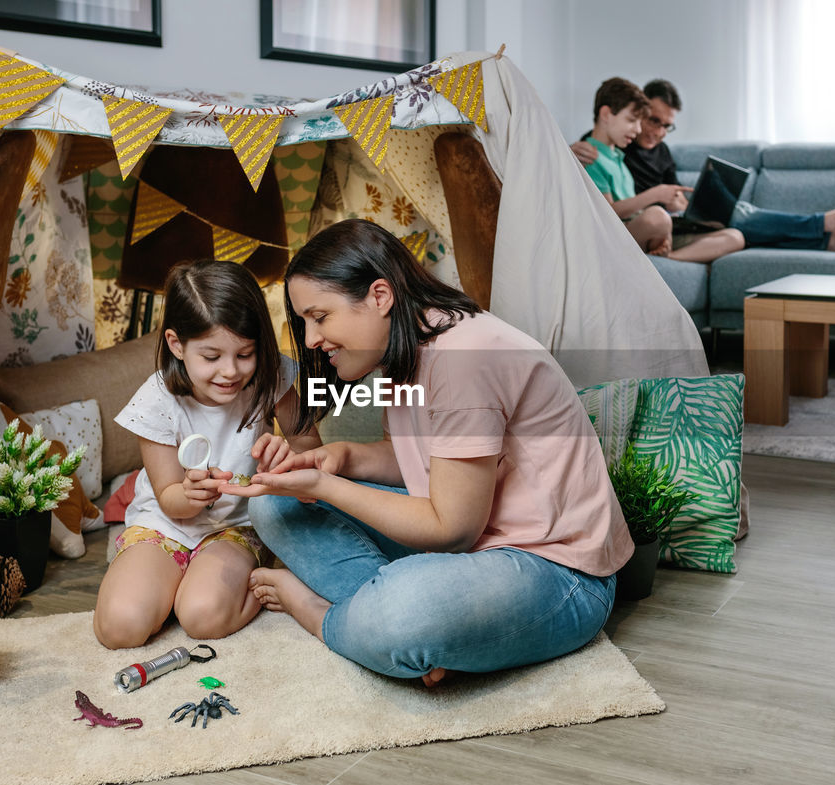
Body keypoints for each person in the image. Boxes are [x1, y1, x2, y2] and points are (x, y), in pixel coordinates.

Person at [223, 219, 633, 687]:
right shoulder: (405, 351)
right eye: (304, 323)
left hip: (558, 573)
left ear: (379, 296)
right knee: (274, 505)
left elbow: (452, 529)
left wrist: (327, 486)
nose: (312, 338)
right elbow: (423, 463)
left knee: (407, 609)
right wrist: (340, 459)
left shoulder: (467, 358)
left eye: (319, 316)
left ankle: (329, 617)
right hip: (475, 550)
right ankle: (418, 635)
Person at [93, 259, 322, 649]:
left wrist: (286, 456)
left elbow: (315, 459)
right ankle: (170, 585)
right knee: (120, 628)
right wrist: (191, 493)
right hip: (166, 522)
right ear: (176, 344)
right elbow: (170, 498)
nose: (231, 372)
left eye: (245, 353)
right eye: (212, 357)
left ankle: (266, 579)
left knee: (202, 617)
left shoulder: (270, 379)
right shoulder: (157, 400)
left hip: (235, 527)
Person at [573, 78, 835, 255]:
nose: (650, 131)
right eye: (649, 120)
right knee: (739, 214)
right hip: (649, 221)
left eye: (666, 126)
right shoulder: (603, 150)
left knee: (733, 220)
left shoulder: (656, 151)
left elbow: (675, 194)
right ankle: (825, 226)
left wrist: (678, 200)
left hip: (674, 216)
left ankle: (830, 238)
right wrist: (568, 150)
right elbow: (583, 165)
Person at [581, 77, 745, 263]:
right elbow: (607, 213)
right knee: (657, 216)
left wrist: (668, 224)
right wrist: (655, 196)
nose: (637, 129)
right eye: (633, 120)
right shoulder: (590, 155)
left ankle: (669, 256)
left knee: (735, 235)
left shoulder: (619, 156)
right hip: (623, 233)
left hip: (659, 224)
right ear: (606, 114)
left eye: (666, 126)